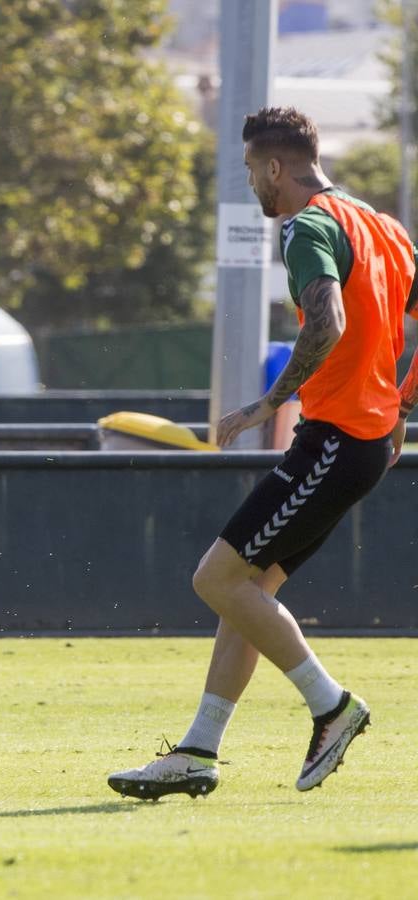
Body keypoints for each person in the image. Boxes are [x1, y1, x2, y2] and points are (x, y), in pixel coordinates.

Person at [108, 106, 418, 799]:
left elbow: (329, 321)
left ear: (275, 167)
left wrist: (266, 404)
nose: (254, 185)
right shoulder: (384, 226)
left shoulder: (308, 227)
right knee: (248, 594)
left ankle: (331, 705)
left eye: (253, 171)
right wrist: (402, 401)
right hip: (361, 442)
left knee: (215, 579)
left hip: (334, 439)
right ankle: (198, 751)